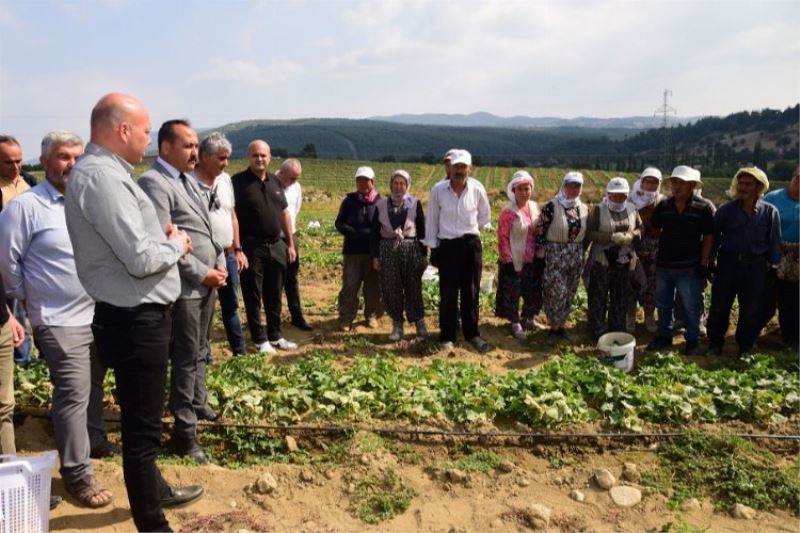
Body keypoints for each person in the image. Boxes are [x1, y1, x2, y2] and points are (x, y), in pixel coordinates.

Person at [65, 93, 202, 532]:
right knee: (141, 436)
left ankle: (156, 493)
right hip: (135, 319)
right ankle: (153, 524)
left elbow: (129, 241)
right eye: (145, 130)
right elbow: (140, 259)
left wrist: (156, 235)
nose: (148, 138)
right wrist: (176, 244)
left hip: (134, 315)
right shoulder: (103, 178)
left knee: (144, 424)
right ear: (123, 130)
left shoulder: (109, 175)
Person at [0, 130, 122, 507]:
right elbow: (7, 265)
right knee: (72, 392)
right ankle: (77, 475)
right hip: (56, 317)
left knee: (92, 387)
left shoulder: (87, 204)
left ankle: (93, 441)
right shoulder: (25, 207)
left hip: (96, 313)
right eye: (63, 156)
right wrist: (32, 296)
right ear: (46, 160)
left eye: (76, 156)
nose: (71, 163)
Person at [138, 120, 226, 464]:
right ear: (165, 149)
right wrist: (202, 273)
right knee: (186, 359)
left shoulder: (185, 181)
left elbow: (202, 229)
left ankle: (199, 403)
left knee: (201, 350)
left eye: (195, 145)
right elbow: (163, 241)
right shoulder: (154, 183)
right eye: (188, 146)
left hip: (207, 283)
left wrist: (217, 261)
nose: (195, 152)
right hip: (187, 288)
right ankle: (184, 435)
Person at [707, 166, 781, 356]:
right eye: (740, 183)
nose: (743, 187)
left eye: (748, 184)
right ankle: (715, 343)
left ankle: (745, 345)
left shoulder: (770, 212)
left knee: (751, 308)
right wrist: (710, 261)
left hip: (756, 266)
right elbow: (714, 238)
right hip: (728, 263)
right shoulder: (726, 211)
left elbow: (774, 242)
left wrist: (773, 268)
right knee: (720, 305)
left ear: (758, 187)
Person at [232, 140, 297, 353]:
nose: (260, 159)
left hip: (276, 245)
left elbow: (284, 213)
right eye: (255, 155)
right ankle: (260, 340)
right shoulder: (238, 182)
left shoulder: (275, 182)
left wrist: (290, 243)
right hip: (252, 246)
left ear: (270, 158)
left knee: (275, 293)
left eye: (263, 156)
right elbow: (232, 216)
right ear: (248, 157)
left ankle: (275, 335)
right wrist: (238, 248)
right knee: (253, 295)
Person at [425, 150, 492, 353]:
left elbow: (484, 216)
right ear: (450, 168)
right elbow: (432, 219)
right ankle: (447, 336)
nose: (459, 171)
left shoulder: (477, 190)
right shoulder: (438, 190)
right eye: (456, 167)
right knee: (448, 293)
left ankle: (472, 334)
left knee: (471, 292)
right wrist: (433, 247)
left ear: (469, 169)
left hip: (470, 245)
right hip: (447, 246)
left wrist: (471, 232)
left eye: (463, 167)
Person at [646, 166, 714, 356]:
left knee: (690, 306)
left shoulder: (703, 207)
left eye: (682, 183)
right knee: (664, 303)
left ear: (692, 185)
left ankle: (692, 340)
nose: (677, 186)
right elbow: (655, 228)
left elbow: (709, 237)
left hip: (689, 267)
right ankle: (665, 336)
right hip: (664, 265)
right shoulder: (664, 206)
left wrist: (703, 262)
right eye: (675, 182)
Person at [191, 132, 248, 358]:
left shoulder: (225, 180)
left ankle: (239, 352)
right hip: (201, 257)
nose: (226, 163)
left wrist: (238, 248)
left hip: (228, 254)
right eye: (221, 158)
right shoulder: (188, 182)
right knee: (203, 309)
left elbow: (231, 216)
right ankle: (204, 357)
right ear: (205, 156)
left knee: (231, 306)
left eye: (227, 158)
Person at [370, 169, 427, 341]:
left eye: (402, 183)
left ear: (407, 185)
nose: (398, 187)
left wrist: (424, 254)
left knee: (413, 286)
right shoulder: (381, 204)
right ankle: (397, 323)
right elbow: (374, 233)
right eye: (395, 183)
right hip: (388, 250)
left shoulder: (413, 203)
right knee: (391, 287)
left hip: (411, 249)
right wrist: (375, 256)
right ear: (390, 185)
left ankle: (419, 322)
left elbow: (422, 229)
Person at [584, 177, 643, 340]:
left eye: (622, 196)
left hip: (623, 261)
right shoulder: (598, 210)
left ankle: (617, 328)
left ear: (627, 195)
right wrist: (610, 237)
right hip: (602, 260)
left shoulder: (632, 209)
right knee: (598, 295)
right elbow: (590, 233)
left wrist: (631, 236)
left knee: (620, 296)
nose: (618, 199)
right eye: (614, 195)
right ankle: (597, 330)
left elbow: (640, 229)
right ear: (608, 194)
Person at [535, 171, 589, 342]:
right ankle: (553, 327)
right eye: (570, 185)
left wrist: (581, 251)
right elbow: (540, 230)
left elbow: (586, 234)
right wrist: (540, 253)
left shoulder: (584, 208)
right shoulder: (551, 206)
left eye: (577, 186)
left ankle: (561, 327)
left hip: (576, 254)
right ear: (564, 186)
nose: (573, 189)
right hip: (555, 254)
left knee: (570, 292)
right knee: (556, 291)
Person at [335, 166, 384, 331]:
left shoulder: (380, 202)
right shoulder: (349, 201)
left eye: (366, 180)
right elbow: (339, 223)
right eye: (359, 180)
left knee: (373, 286)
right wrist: (351, 231)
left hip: (373, 253)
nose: (362, 183)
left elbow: (385, 227)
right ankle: (346, 318)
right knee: (350, 285)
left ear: (372, 182)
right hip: (352, 252)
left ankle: (371, 315)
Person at [495, 170, 540, 340]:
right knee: (513, 291)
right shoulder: (508, 211)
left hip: (532, 258)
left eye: (527, 189)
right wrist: (507, 260)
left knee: (531, 290)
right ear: (513, 191)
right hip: (515, 259)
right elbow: (503, 237)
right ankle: (515, 322)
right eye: (520, 189)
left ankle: (528, 318)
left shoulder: (534, 206)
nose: (524, 193)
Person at [0, 135, 33, 365]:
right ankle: (21, 360)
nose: (15, 166)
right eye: (8, 162)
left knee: (30, 310)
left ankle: (28, 354)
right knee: (12, 311)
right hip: (6, 259)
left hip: (32, 258)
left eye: (19, 161)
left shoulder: (29, 182)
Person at [763, 165, 799, 352]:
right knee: (767, 296)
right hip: (773, 256)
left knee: (791, 298)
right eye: (798, 177)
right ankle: (754, 331)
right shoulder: (773, 198)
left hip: (797, 260)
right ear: (792, 177)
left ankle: (790, 337)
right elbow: (761, 222)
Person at [626, 167, 665, 333]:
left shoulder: (662, 201)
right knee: (631, 283)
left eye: (654, 182)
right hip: (632, 248)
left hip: (654, 250)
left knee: (652, 285)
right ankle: (630, 318)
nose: (650, 185)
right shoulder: (630, 200)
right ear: (641, 181)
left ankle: (649, 317)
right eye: (647, 181)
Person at [277, 158, 313, 331]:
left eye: (296, 179)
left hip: (291, 237)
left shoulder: (296, 187)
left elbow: (295, 210)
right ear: (281, 172)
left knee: (292, 279)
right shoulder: (269, 184)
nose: (293, 182)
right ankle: (273, 319)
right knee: (274, 281)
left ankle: (297, 316)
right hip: (273, 239)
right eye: (291, 178)